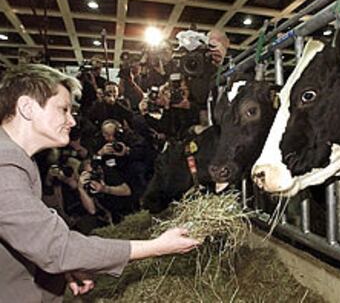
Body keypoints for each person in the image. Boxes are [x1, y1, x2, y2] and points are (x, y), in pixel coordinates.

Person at [0, 64, 200, 302]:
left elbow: (32, 239)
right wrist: (157, 246)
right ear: (27, 107)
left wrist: (61, 267)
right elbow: (56, 247)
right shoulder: (5, 164)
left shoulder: (21, 159)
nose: (72, 121)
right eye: (63, 109)